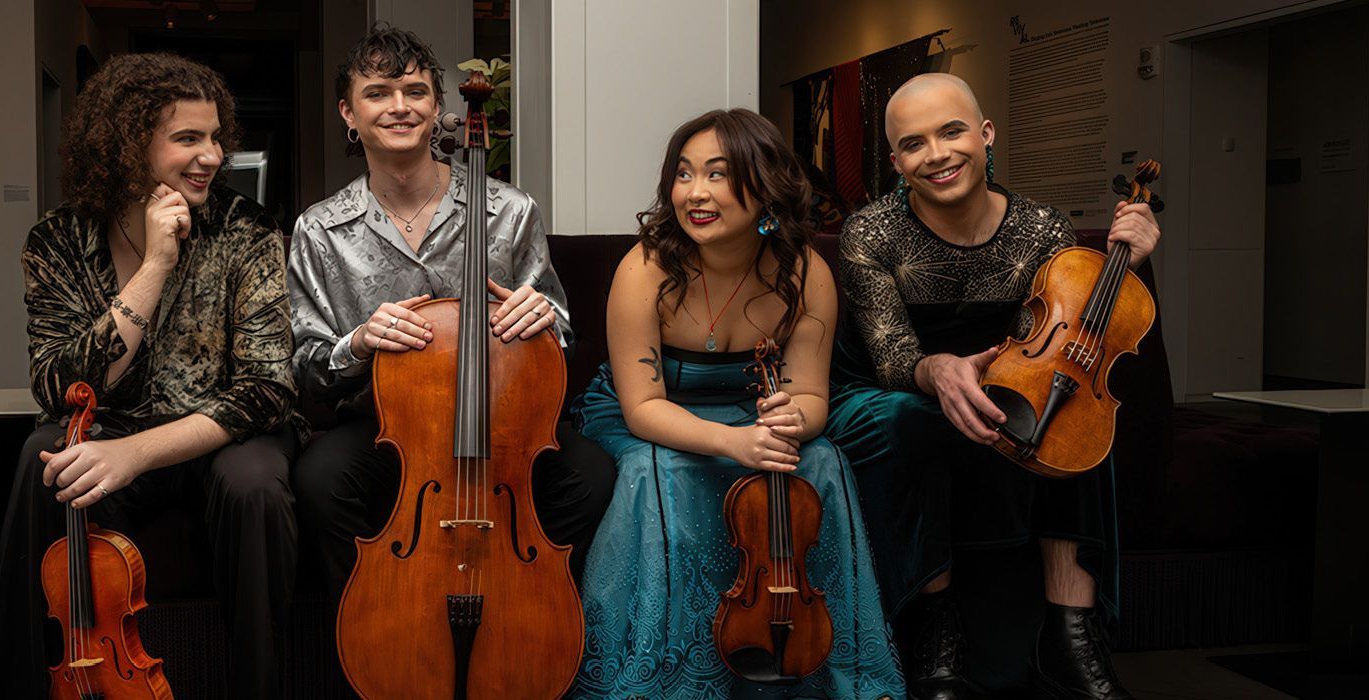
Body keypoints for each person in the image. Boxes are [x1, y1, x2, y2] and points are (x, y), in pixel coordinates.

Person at [286, 23, 616, 695]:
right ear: (349, 114)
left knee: (590, 475)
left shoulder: (508, 210)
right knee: (320, 481)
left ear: (438, 108)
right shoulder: (320, 229)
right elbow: (306, 362)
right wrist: (358, 341)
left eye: (414, 91)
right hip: (384, 431)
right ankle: (386, 644)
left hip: (501, 428)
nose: (399, 106)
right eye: (377, 93)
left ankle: (524, 630)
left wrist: (541, 319)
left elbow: (558, 327)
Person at [824, 73, 1160, 700]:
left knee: (1076, 413)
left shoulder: (1042, 229)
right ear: (896, 161)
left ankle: (1069, 633)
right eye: (914, 144)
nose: (938, 154)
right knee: (913, 418)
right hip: (887, 387)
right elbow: (894, 357)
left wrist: (1121, 267)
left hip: (1007, 369)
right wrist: (938, 369)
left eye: (952, 132)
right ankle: (934, 623)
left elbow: (1067, 344)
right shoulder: (870, 233)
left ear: (985, 135)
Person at [0, 52, 306, 700]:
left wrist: (134, 453)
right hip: (108, 425)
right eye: (188, 138)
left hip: (223, 437)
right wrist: (156, 264)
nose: (211, 155)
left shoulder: (245, 229)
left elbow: (268, 388)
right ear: (129, 143)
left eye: (215, 137)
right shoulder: (57, 240)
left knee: (255, 486)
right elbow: (57, 387)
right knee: (40, 457)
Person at [569, 108, 905, 699]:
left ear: (765, 186)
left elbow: (811, 397)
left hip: (753, 412)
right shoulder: (644, 269)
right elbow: (642, 406)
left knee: (822, 462)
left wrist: (791, 421)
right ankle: (664, 677)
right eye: (684, 173)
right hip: (649, 416)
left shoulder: (805, 273)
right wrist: (734, 443)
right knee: (662, 471)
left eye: (718, 175)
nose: (695, 193)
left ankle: (807, 661)